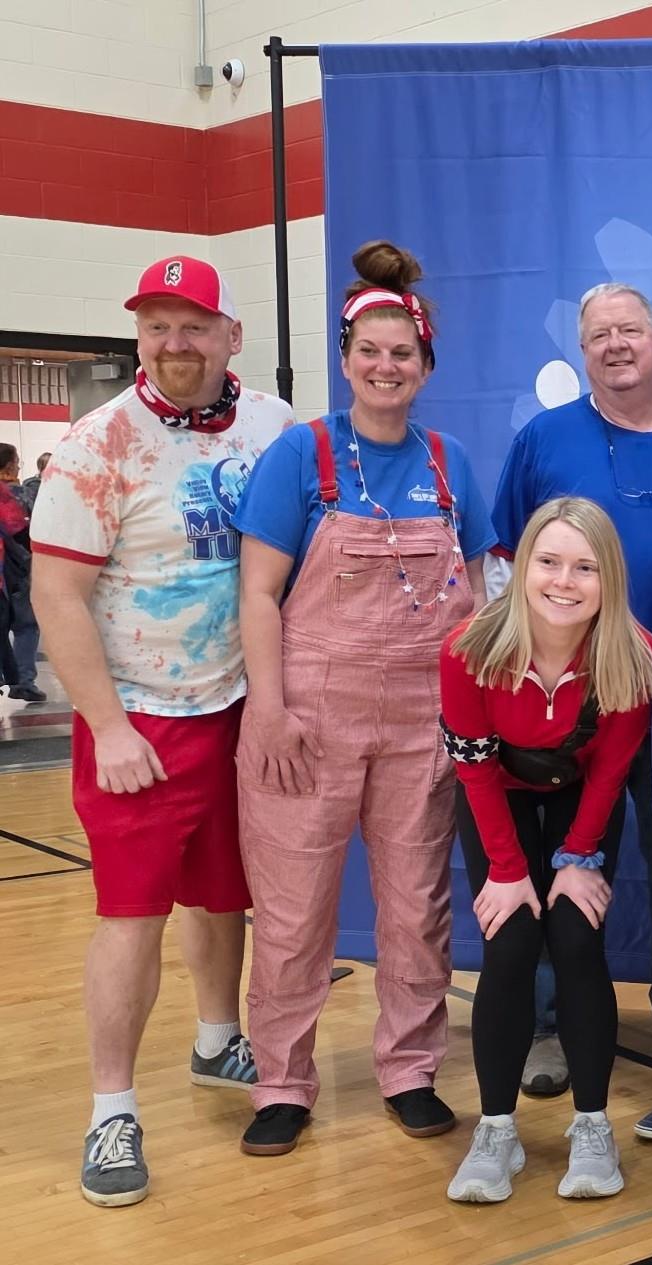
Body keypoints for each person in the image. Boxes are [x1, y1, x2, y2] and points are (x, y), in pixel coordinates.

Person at [29, 254, 296, 1206]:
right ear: (139, 337)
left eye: (193, 325)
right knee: (131, 913)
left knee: (223, 896)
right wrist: (108, 727)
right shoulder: (97, 444)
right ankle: (111, 1110)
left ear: (230, 335)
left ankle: (218, 1040)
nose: (174, 343)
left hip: (240, 708)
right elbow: (55, 595)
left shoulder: (275, 425)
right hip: (140, 717)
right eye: (156, 327)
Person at [232, 240, 496, 1157]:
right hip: (307, 718)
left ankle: (410, 1069)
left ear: (426, 365)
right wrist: (268, 709)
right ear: (345, 361)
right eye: (370, 352)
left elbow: (481, 596)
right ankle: (281, 1081)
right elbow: (257, 593)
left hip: (422, 721)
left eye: (403, 353)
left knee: (416, 905)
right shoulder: (299, 455)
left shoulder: (449, 461)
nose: (387, 367)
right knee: (293, 909)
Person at [492, 283, 652, 1097]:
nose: (616, 344)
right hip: (568, 698)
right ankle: (547, 1025)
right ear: (582, 351)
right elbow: (505, 560)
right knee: (565, 855)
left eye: (630, 330)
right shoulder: (543, 438)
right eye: (598, 334)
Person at [441, 497, 652, 1203]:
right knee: (508, 941)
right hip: (497, 791)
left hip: (581, 797)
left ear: (609, 578)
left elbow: (612, 769)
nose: (565, 582)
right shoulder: (468, 648)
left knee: (575, 936)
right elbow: (474, 769)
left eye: (585, 567)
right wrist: (508, 871)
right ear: (522, 566)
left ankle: (592, 1127)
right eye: (550, 562)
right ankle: (495, 1131)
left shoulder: (635, 654)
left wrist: (576, 859)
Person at [0, 443, 43, 702]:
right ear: (8, 465)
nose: (18, 466)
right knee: (27, 625)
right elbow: (33, 528)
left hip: (4, 571)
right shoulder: (19, 494)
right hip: (18, 568)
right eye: (16, 461)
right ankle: (23, 681)